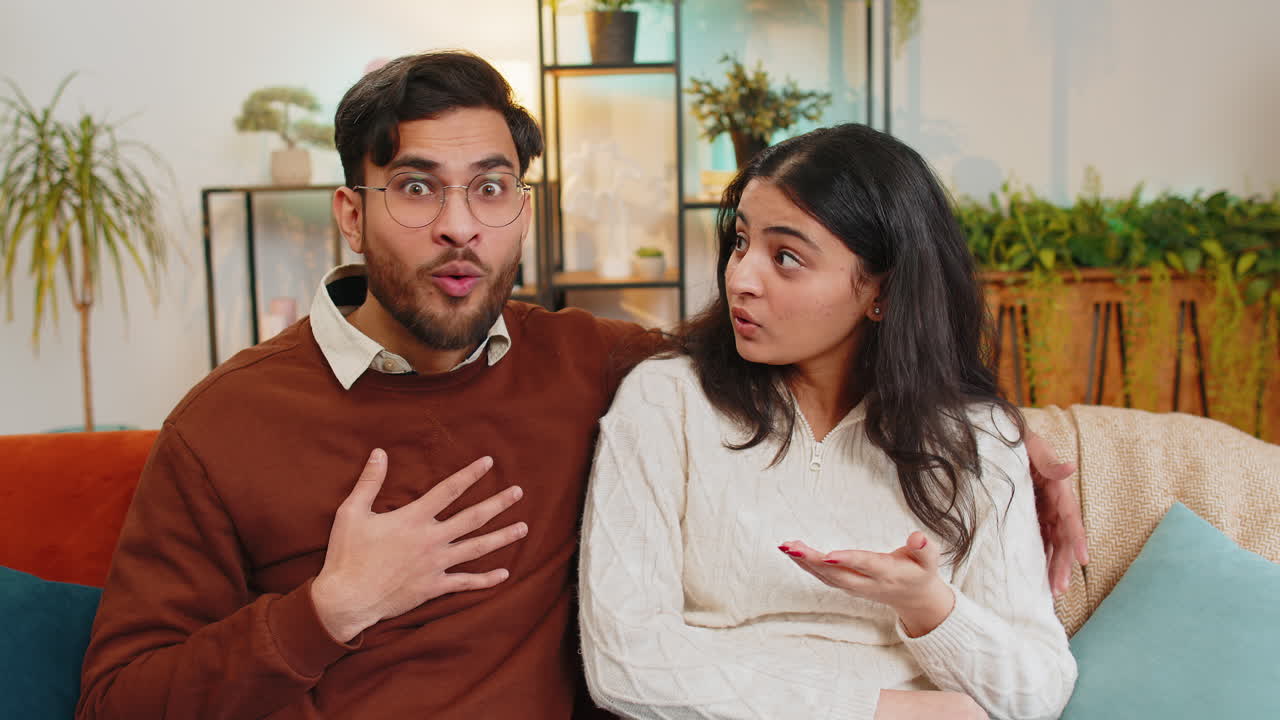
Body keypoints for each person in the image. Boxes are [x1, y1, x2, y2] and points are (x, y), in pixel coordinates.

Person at [77, 52, 1083, 719]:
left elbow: (822, 366)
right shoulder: (228, 424)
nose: (460, 225)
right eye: (417, 188)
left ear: (523, 207)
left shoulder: (590, 364)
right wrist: (327, 610)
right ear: (350, 212)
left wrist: (1023, 441)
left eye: (491, 188)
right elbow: (115, 699)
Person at [579, 124, 1078, 719]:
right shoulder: (665, 403)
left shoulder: (976, 440)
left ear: (884, 292)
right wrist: (874, 711)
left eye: (786, 257)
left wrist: (930, 608)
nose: (741, 277)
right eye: (741, 242)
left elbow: (1039, 691)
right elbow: (624, 663)